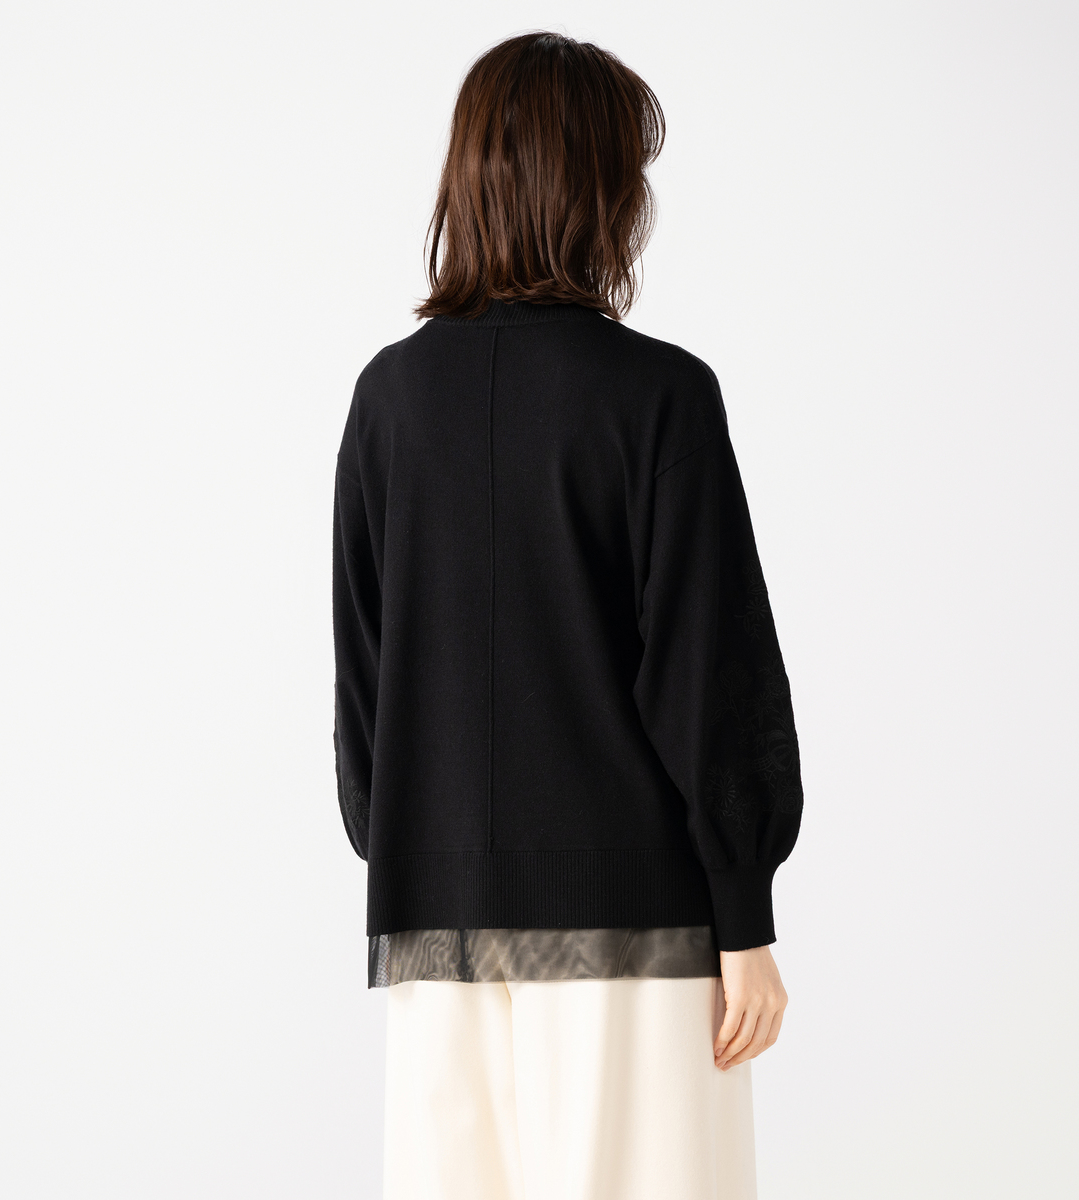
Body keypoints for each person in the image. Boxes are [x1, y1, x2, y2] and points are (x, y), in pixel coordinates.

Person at [332, 31, 803, 1200]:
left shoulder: (388, 401)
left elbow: (366, 686)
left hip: (438, 927)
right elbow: (711, 675)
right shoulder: (660, 397)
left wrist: (419, 843)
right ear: (596, 189)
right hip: (633, 929)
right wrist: (744, 914)